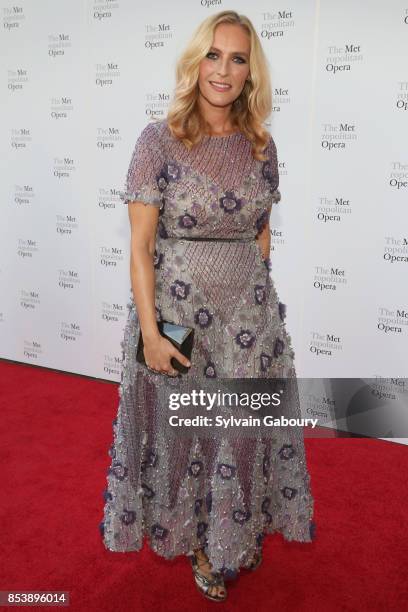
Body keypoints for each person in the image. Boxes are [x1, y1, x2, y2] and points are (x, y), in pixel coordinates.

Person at [100, 10, 315, 602]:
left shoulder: (261, 145)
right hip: (178, 311)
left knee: (239, 431)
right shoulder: (158, 139)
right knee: (187, 432)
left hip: (248, 316)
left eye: (238, 58)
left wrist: (256, 296)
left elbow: (261, 233)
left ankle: (230, 535)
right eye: (214, 55)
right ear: (196, 62)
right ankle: (196, 540)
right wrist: (149, 331)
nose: (224, 69)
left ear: (251, 73)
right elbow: (141, 247)